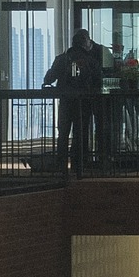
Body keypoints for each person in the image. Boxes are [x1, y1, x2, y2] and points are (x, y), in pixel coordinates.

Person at [44, 28, 105, 172]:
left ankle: (61, 167)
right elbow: (99, 82)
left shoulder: (62, 59)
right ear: (86, 43)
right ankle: (79, 166)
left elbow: (48, 79)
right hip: (84, 103)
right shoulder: (91, 61)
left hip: (65, 101)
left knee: (63, 134)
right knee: (81, 134)